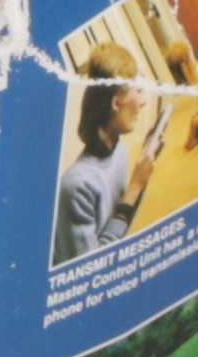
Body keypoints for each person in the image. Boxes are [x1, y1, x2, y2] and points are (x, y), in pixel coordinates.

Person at [53, 56, 158, 261]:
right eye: (138, 90)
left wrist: (144, 166)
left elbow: (121, 224)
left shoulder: (120, 153)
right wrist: (135, 187)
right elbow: (90, 269)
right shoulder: (76, 185)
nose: (143, 101)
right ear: (116, 101)